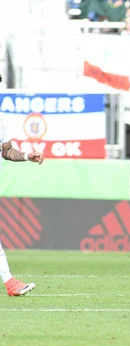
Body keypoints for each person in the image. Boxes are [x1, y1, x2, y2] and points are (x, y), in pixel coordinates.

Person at [0, 74, 45, 296]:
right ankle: (9, 282)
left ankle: (10, 283)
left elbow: (7, 151)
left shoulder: (2, 122)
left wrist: (28, 155)